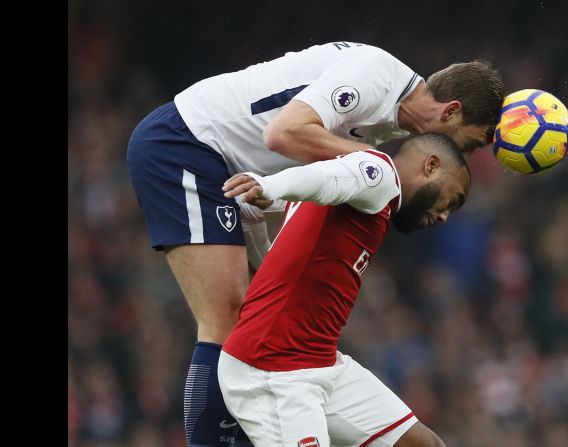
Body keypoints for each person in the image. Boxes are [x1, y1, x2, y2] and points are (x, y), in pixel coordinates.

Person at [127, 41, 504, 446]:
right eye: (471, 142)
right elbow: (282, 133)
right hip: (188, 144)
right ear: (451, 111)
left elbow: (316, 180)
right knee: (228, 321)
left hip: (228, 169)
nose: (463, 156)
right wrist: (374, 168)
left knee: (256, 320)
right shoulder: (376, 77)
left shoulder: (388, 124)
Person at [218, 133, 469, 447]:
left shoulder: (356, 198)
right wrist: (268, 185)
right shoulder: (379, 175)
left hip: (320, 361)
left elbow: (254, 216)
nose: (445, 215)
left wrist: (269, 199)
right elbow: (322, 179)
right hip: (273, 370)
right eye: (452, 199)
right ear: (431, 166)